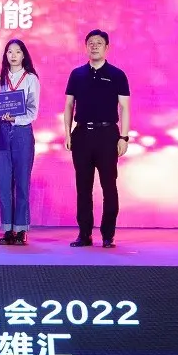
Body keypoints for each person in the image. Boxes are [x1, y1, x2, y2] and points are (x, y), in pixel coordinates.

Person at [63, 30, 131, 248]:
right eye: (91, 43)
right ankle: (84, 234)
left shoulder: (117, 75)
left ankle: (108, 234)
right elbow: (69, 105)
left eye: (99, 43)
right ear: (86, 47)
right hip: (82, 134)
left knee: (109, 186)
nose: (94, 46)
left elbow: (124, 108)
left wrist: (124, 137)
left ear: (107, 47)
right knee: (83, 188)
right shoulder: (77, 74)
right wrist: (67, 133)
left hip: (107, 135)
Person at [0, 39, 40, 246]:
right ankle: (7, 229)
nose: (13, 55)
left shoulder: (31, 79)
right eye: (9, 52)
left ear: (23, 55)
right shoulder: (0, 78)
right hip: (1, 132)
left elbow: (33, 111)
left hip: (22, 132)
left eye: (17, 52)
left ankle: (21, 230)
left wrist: (15, 119)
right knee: (4, 184)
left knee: (21, 182)